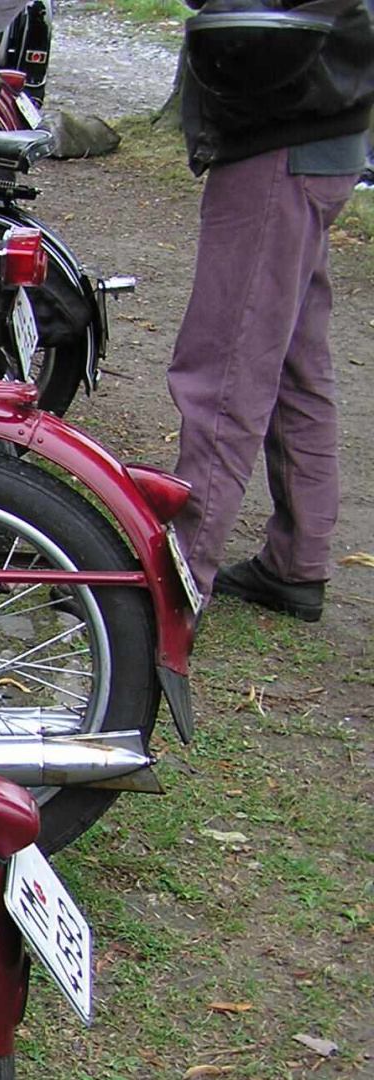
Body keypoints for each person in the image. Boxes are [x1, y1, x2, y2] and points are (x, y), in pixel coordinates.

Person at [168, 0, 374, 622]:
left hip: (279, 135)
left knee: (223, 372)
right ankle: (297, 561)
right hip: (322, 131)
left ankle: (175, 583)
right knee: (293, 362)